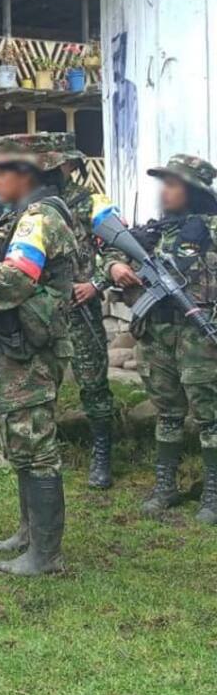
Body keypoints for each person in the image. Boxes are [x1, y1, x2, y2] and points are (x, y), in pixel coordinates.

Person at [0, 134, 76, 576]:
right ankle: (28, 534)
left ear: (25, 174)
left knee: (36, 444)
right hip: (19, 345)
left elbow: (17, 276)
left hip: (33, 350)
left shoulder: (39, 217)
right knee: (22, 440)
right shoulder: (24, 215)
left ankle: (45, 555)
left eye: (0, 170)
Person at [105, 154, 217, 523]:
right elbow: (108, 250)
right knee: (167, 410)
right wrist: (115, 266)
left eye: (174, 185)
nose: (165, 192)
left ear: (194, 191)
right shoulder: (153, 231)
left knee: (209, 414)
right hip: (156, 332)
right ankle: (165, 485)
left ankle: (212, 494)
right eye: (164, 184)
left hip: (200, 334)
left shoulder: (212, 229)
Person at [55, 134, 118, 489]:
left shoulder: (93, 201)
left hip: (80, 308)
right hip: (41, 308)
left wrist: (95, 283)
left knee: (93, 382)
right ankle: (42, 448)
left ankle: (102, 452)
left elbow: (118, 248)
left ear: (70, 164)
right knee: (39, 381)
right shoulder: (28, 201)